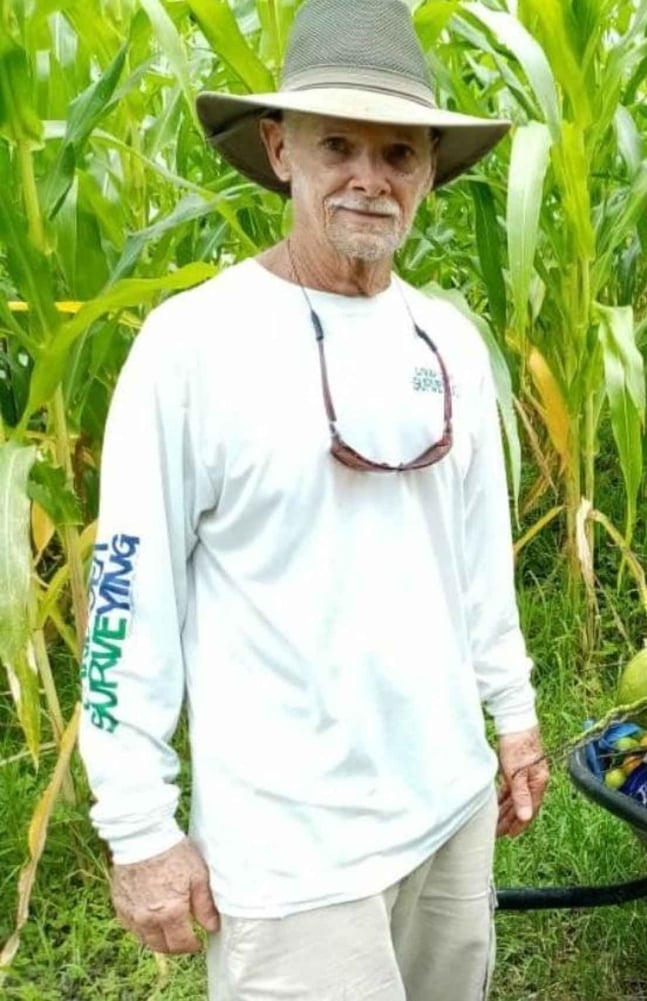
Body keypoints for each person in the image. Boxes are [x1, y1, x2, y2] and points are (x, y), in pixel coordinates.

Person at [76, 1, 549, 997]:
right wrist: (138, 827)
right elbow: (127, 593)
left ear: (428, 171)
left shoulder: (448, 342)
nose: (371, 179)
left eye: (400, 153)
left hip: (449, 805)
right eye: (339, 144)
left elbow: (476, 554)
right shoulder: (193, 346)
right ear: (280, 148)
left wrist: (511, 713)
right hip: (293, 856)